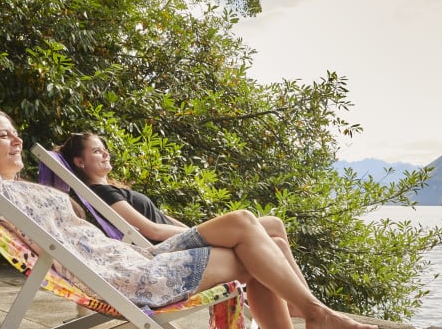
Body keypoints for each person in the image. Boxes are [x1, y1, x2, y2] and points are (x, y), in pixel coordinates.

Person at [0, 107, 378, 329]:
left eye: (16, 133)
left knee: (258, 227)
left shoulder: (23, 189)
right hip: (134, 279)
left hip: (144, 260)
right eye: (3, 136)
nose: (15, 140)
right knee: (251, 245)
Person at [58, 131, 308, 317]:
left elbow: (162, 220)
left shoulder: (111, 188)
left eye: (104, 149)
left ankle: (299, 304)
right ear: (80, 162)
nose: (105, 153)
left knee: (276, 242)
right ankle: (304, 306)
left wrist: (203, 230)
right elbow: (150, 229)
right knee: (271, 224)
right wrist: (199, 232)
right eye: (96, 151)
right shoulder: (102, 193)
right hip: (167, 250)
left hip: (176, 240)